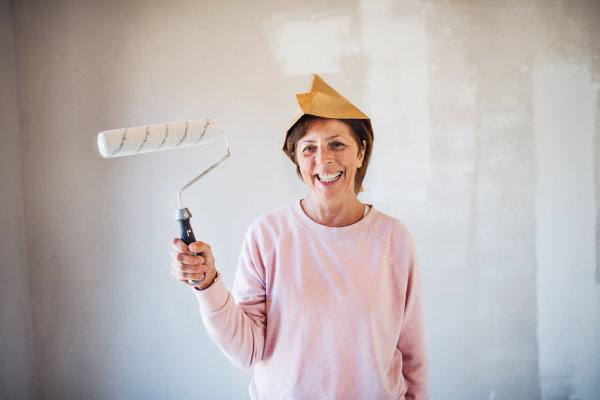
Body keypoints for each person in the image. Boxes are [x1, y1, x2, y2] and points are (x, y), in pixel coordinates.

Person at [170, 75, 429, 400]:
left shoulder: (395, 240)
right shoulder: (267, 235)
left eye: (337, 143)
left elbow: (413, 355)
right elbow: (245, 352)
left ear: (361, 152)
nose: (323, 159)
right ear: (297, 160)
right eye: (309, 148)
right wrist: (207, 284)